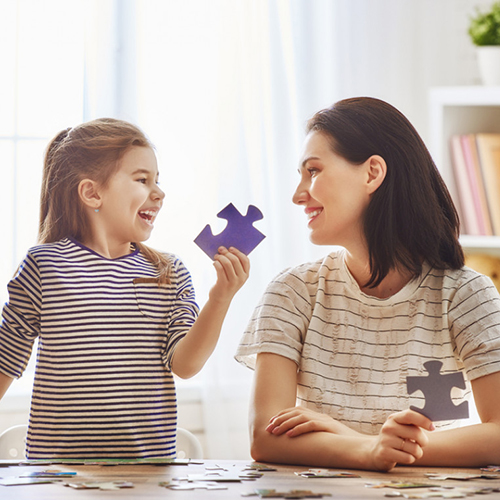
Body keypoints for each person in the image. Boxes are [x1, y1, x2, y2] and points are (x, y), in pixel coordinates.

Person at [235, 97, 500, 471]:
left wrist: (366, 444)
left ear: (372, 173)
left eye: (313, 171)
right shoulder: (294, 292)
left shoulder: (464, 294)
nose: (298, 195)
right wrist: (370, 451)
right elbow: (265, 437)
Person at [0, 118, 250, 459]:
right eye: (142, 180)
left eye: (157, 181)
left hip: (148, 470)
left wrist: (221, 297)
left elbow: (185, 364)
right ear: (92, 192)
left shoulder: (169, 272)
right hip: (56, 472)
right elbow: (6, 358)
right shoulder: (44, 265)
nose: (159, 193)